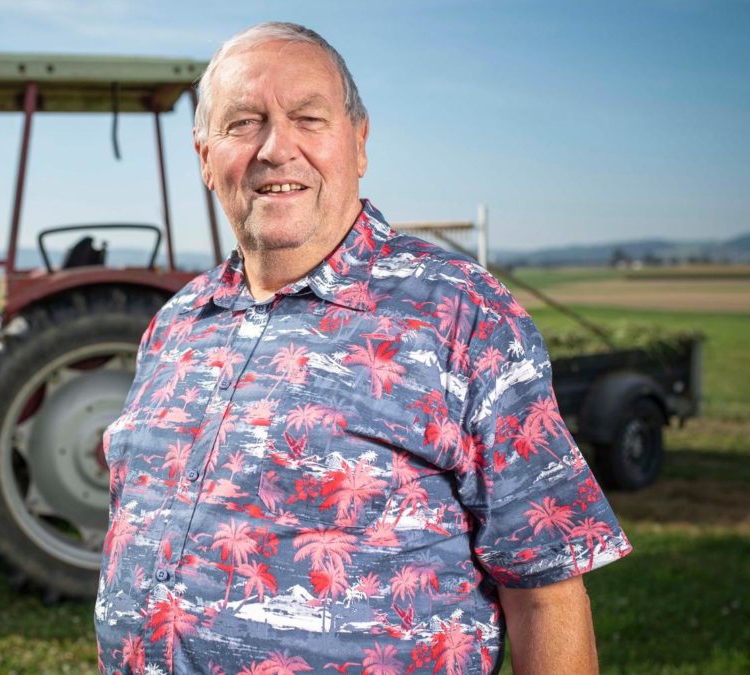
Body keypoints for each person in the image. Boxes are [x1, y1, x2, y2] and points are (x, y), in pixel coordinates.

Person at [95, 22, 631, 675]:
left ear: (359, 141)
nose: (276, 147)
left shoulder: (461, 315)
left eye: (307, 117)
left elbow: (545, 594)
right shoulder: (177, 322)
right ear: (205, 155)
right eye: (243, 123)